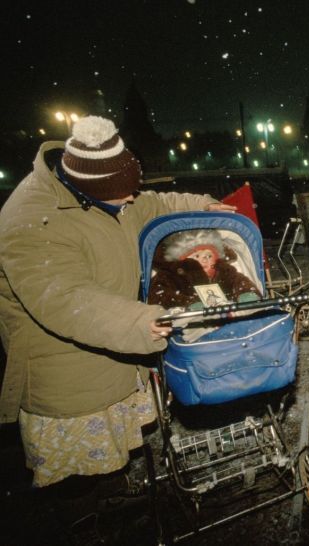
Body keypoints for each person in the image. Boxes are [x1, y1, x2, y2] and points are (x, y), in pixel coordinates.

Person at [0, 116, 233, 531]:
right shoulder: (32, 218)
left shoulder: (111, 193)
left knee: (109, 451)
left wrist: (203, 203)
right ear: (91, 187)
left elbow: (156, 204)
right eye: (124, 195)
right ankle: (82, 523)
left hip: (115, 346)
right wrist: (142, 319)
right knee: (77, 465)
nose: (131, 199)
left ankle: (111, 499)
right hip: (65, 367)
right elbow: (63, 297)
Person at [148, 228, 261, 309]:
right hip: (190, 320)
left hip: (228, 312)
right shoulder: (170, 276)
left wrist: (245, 293)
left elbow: (240, 282)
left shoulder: (224, 271)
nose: (205, 260)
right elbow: (161, 295)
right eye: (197, 256)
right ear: (182, 259)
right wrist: (188, 303)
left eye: (208, 256)